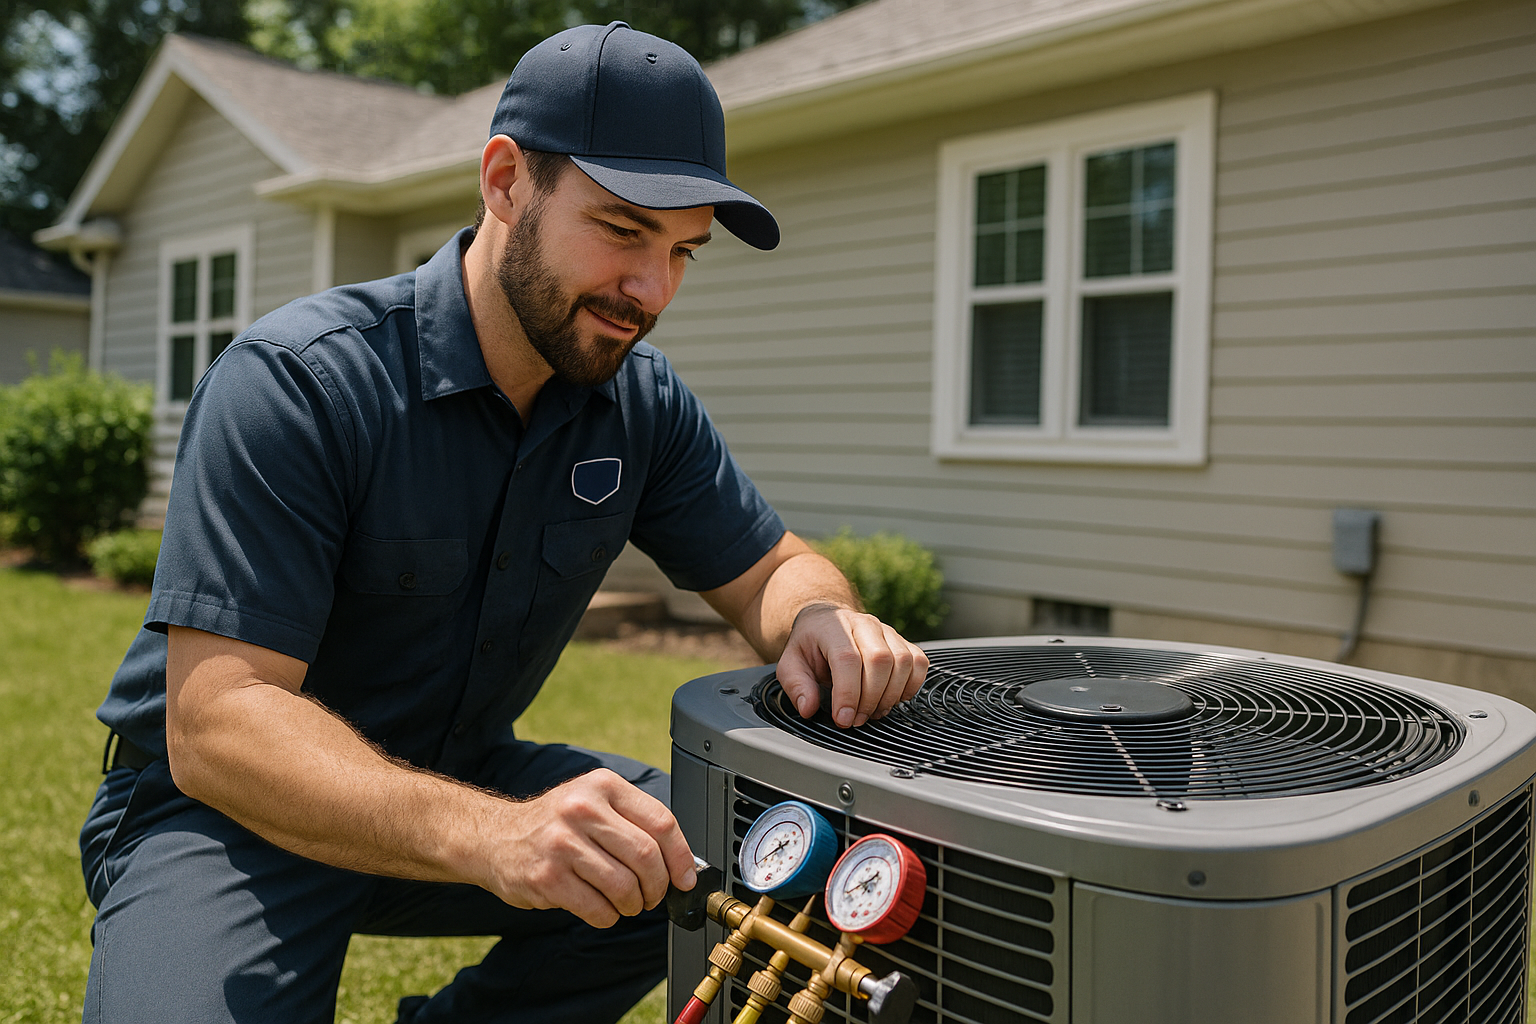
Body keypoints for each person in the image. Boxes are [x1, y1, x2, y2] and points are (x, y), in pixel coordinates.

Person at [78, 20, 928, 1024]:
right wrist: (493, 836)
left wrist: (819, 614)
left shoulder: (636, 404)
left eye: (682, 252)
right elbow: (218, 724)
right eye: (620, 229)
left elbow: (770, 569)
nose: (650, 291)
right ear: (504, 181)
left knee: (720, 848)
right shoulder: (302, 384)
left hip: (463, 776)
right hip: (227, 814)